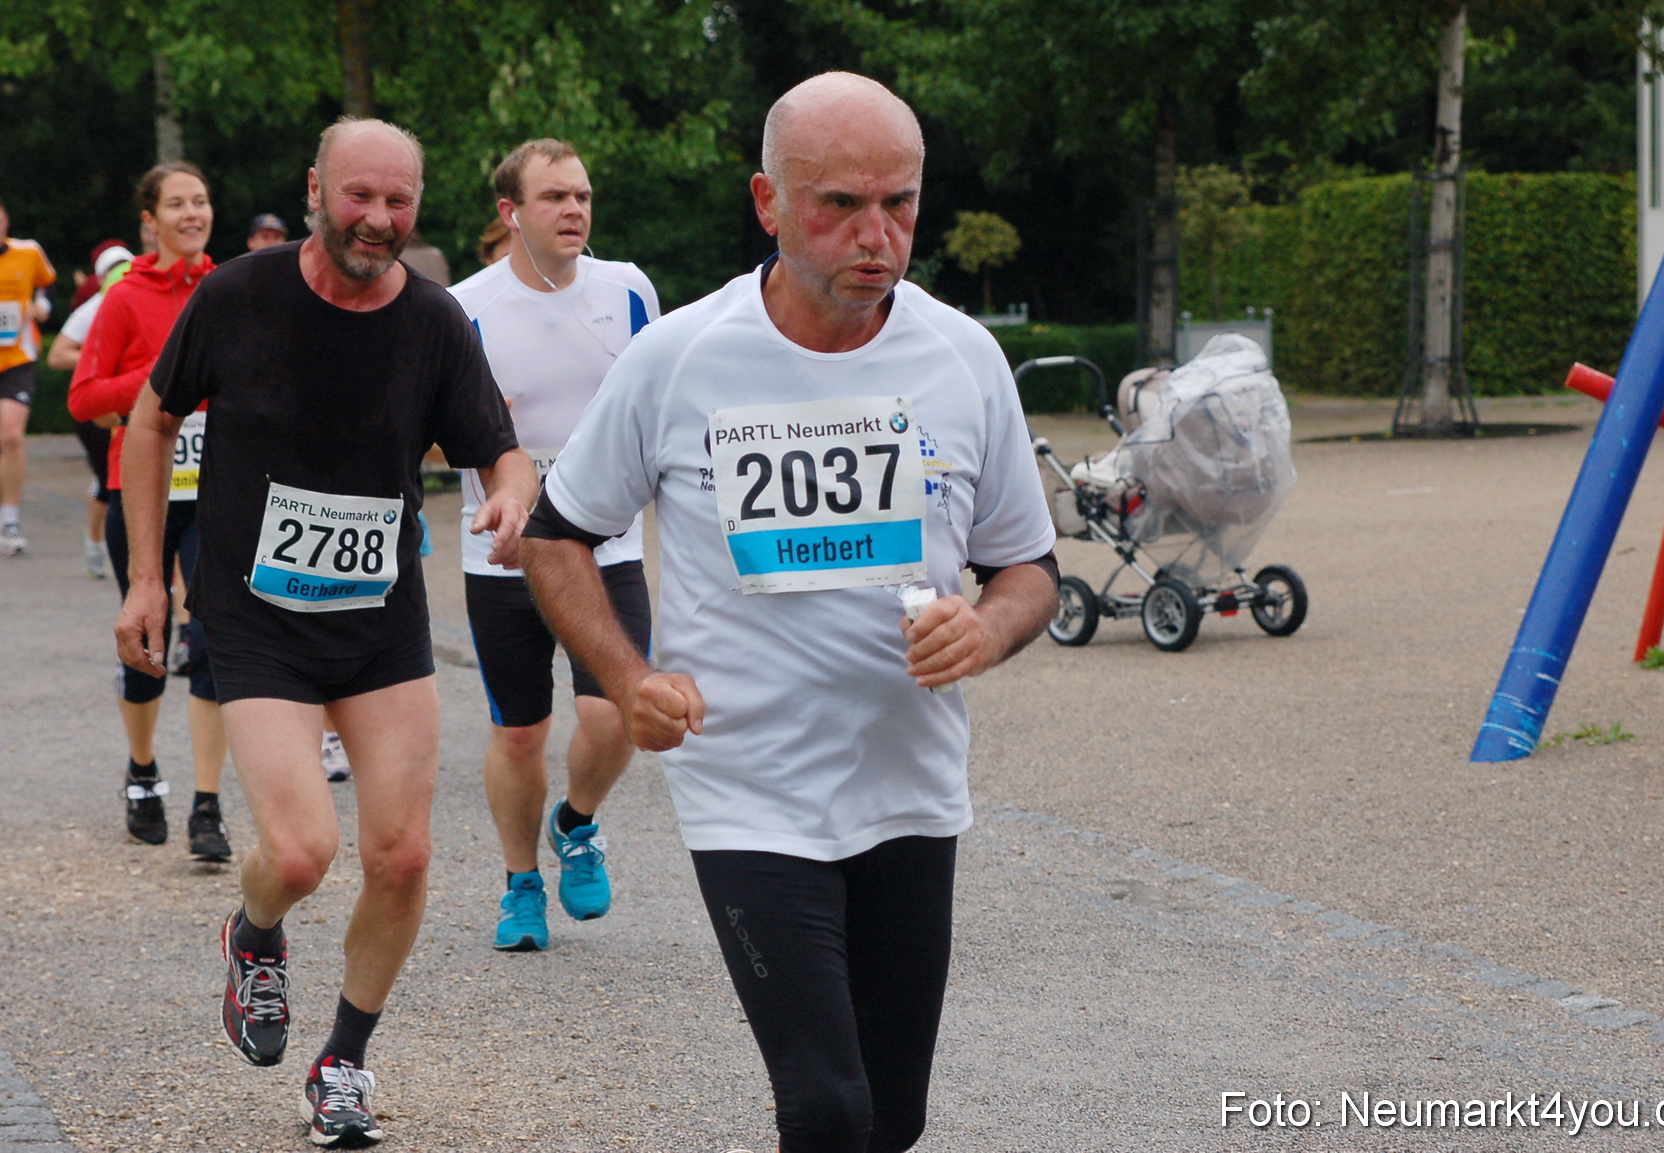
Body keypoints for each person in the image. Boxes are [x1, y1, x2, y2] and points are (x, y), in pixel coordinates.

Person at [520, 73, 1058, 1153]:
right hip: (749, 789)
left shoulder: (963, 357)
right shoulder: (680, 356)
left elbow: (1030, 568)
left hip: (910, 787)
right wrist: (629, 678)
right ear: (767, 202)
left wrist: (987, 628)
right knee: (826, 1108)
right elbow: (555, 532)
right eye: (841, 204)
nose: (877, 234)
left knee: (892, 1118)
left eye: (899, 203)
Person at [114, 117, 536, 1149]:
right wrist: (146, 581)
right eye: (360, 196)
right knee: (302, 853)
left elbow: (502, 450)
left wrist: (514, 495)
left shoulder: (434, 321)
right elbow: (150, 422)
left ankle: (342, 1061)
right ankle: (255, 932)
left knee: (403, 855)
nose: (379, 219)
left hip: (379, 623)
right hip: (256, 616)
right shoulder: (237, 296)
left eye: (399, 201)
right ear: (316, 190)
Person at [448, 138, 660, 952]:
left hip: (605, 546)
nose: (575, 210)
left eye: (583, 196)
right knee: (519, 731)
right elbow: (421, 437)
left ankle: (575, 823)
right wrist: (474, 432)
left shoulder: (629, 290)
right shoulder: (465, 307)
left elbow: (660, 404)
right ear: (510, 213)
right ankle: (520, 882)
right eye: (554, 197)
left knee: (618, 715)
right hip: (502, 554)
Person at [67, 165, 232, 862]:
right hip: (140, 493)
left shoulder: (228, 289)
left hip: (214, 495)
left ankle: (207, 805)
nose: (192, 213)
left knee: (215, 642)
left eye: (201, 201)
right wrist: (166, 375)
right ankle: (142, 773)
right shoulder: (126, 298)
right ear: (150, 220)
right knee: (147, 643)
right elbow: (83, 398)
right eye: (177, 203)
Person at [51, 242, 134, 578]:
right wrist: (99, 357)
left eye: (126, 266)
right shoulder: (92, 309)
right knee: (107, 481)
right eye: (113, 271)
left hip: (133, 405)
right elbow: (57, 356)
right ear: (100, 279)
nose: (121, 274)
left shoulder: (139, 300)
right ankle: (96, 544)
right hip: (99, 407)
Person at [0, 199, 58, 556]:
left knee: (10, 436)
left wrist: (43, 305)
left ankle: (10, 519)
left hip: (17, 357)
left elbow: (48, 283)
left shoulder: (28, 252)